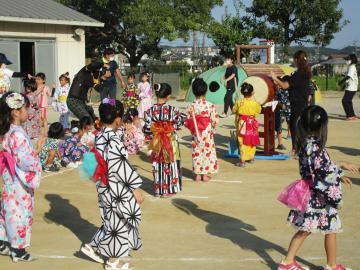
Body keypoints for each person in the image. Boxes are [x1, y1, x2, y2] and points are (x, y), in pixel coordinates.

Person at [278, 105, 358, 270]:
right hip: (319, 196)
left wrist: (338, 173)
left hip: (310, 192)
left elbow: (319, 169)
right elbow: (324, 171)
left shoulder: (304, 145)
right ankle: (330, 265)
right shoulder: (316, 148)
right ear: (322, 127)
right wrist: (341, 166)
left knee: (311, 228)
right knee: (324, 228)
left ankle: (291, 262)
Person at [80, 99, 144, 270]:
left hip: (103, 183)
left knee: (112, 219)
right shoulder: (112, 139)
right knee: (121, 220)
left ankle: (93, 246)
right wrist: (134, 188)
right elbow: (119, 166)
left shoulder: (100, 135)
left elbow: (95, 162)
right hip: (115, 186)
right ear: (117, 119)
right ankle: (113, 261)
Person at [0, 92, 44, 262]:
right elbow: (25, 161)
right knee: (19, 213)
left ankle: (2, 241)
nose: (28, 111)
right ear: (15, 112)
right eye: (25, 108)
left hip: (8, 178)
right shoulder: (17, 134)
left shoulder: (8, 130)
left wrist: (34, 151)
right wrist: (37, 154)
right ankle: (18, 250)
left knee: (7, 211)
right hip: (18, 181)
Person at [143, 83, 186, 198]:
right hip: (170, 139)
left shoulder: (150, 111)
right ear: (168, 96)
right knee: (170, 163)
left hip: (156, 140)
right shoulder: (172, 110)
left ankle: (159, 189)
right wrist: (172, 127)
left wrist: (153, 133)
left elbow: (146, 128)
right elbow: (181, 121)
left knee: (157, 164)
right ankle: (169, 189)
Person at [271, 50, 312, 151]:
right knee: (300, 128)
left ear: (297, 60)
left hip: (297, 105)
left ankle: (296, 150)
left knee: (295, 127)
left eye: (294, 59)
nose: (293, 62)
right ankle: (300, 149)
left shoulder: (298, 74)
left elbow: (284, 86)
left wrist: (274, 78)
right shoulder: (306, 72)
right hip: (303, 104)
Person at [185, 78, 219, 182]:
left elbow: (188, 120)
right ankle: (205, 174)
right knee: (207, 152)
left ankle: (197, 175)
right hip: (207, 133)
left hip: (196, 132)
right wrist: (212, 127)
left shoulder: (191, 106)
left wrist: (192, 130)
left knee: (197, 152)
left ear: (193, 91)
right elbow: (215, 119)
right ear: (206, 91)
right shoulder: (209, 105)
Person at [232, 82, 261, 167]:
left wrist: (235, 102)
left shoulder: (239, 102)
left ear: (241, 92)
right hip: (252, 123)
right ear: (252, 93)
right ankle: (251, 157)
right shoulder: (255, 103)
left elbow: (234, 110)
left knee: (242, 141)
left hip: (242, 124)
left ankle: (243, 161)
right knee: (252, 140)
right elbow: (259, 110)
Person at [275, 76, 292, 150]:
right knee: (279, 126)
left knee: (289, 121)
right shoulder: (277, 90)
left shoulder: (290, 90)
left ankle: (289, 134)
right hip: (279, 110)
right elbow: (274, 99)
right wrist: (280, 104)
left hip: (288, 108)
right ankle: (280, 143)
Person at [340, 53, 358, 120]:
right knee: (348, 101)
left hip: (352, 87)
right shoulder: (352, 66)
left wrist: (340, 82)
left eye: (348, 59)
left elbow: (348, 77)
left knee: (344, 101)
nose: (346, 61)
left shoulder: (352, 67)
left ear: (352, 60)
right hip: (351, 87)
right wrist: (344, 86)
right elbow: (348, 79)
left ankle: (350, 116)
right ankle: (352, 115)